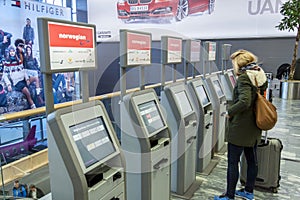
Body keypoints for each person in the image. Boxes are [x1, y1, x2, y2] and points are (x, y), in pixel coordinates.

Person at [214, 49, 267, 200]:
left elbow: (244, 101)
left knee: (233, 162)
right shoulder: (260, 74)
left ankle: (229, 195)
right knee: (252, 159)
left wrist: (230, 112)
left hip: (241, 127)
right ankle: (248, 192)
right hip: (255, 124)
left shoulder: (244, 78)